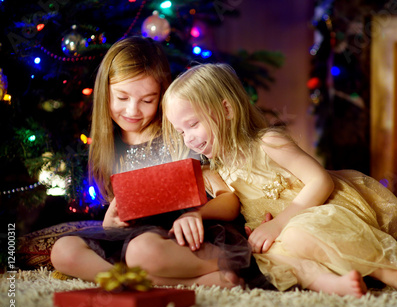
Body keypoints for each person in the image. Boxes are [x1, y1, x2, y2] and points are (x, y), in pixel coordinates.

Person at [162, 63, 397, 298]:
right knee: (268, 256)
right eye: (181, 131)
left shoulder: (267, 142)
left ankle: (394, 275)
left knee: (298, 232)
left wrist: (280, 224)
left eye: (193, 125)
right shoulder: (218, 169)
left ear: (226, 110)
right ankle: (330, 284)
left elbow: (321, 182)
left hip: (322, 209)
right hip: (279, 230)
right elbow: (231, 205)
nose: (189, 139)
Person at [50, 38, 251, 288]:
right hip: (135, 238)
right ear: (105, 93)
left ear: (161, 96)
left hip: (183, 239)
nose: (132, 110)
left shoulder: (178, 136)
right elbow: (121, 210)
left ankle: (207, 271)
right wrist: (109, 224)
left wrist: (195, 214)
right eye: (122, 98)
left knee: (141, 251)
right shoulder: (110, 145)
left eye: (147, 100)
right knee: (63, 250)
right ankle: (143, 281)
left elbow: (229, 199)